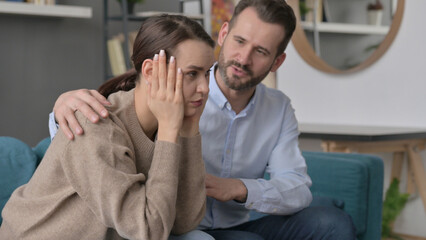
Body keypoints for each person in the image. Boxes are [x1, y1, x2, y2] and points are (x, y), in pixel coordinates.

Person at [47, 0, 357, 239]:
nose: (243, 59)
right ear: (223, 33)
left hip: (238, 221)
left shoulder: (277, 108)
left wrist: (239, 188)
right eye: (239, 41)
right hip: (176, 226)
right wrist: (63, 107)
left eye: (261, 51)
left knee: (332, 223)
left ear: (277, 62)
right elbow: (111, 119)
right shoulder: (173, 90)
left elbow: (298, 188)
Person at [0, 15, 216, 240]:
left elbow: (185, 221)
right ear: (151, 72)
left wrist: (189, 128)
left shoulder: (168, 123)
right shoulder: (96, 125)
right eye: (192, 73)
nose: (205, 88)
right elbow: (149, 231)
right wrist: (170, 131)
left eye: (208, 73)